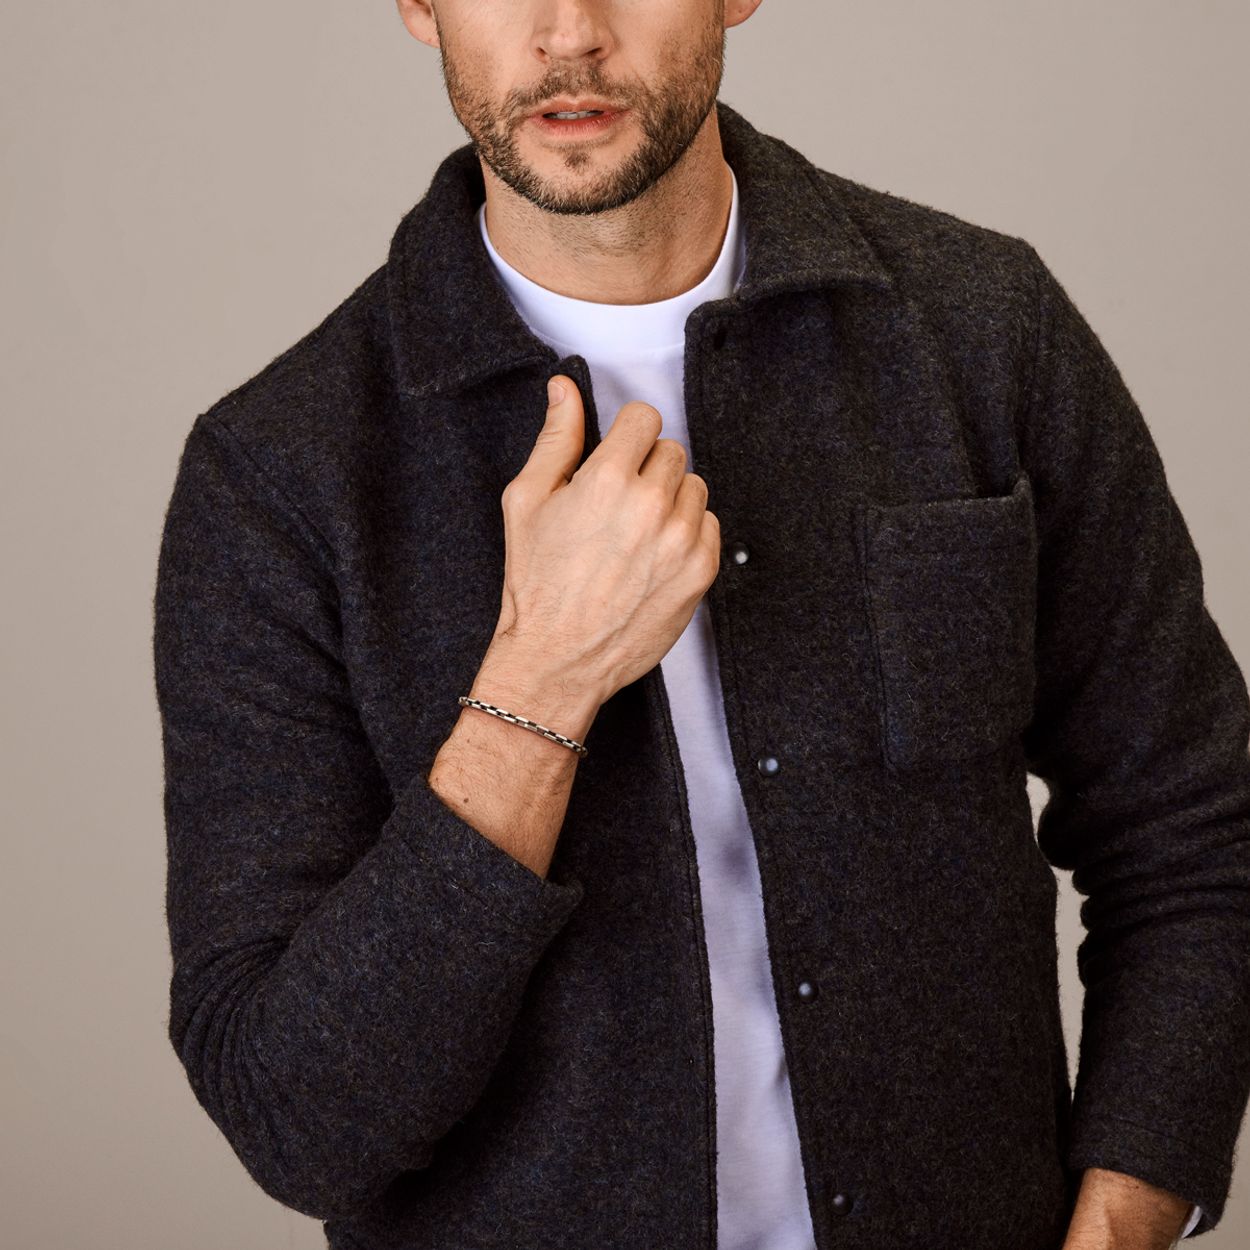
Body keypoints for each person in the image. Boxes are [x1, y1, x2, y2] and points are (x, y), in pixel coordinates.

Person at [152, 2, 1250, 1247]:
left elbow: (1192, 823)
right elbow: (296, 1117)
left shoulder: (983, 332)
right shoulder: (278, 476)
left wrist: (1123, 1212)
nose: (568, 32)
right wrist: (539, 682)